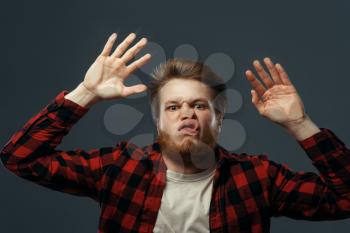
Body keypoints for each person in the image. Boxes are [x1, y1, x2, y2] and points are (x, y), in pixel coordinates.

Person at [1, 32, 349, 233]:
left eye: (199, 105)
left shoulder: (257, 177)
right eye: (173, 107)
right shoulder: (120, 168)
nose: (187, 114)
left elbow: (344, 199)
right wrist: (86, 93)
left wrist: (299, 124)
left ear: (219, 118)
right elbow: (20, 158)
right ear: (158, 121)